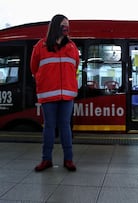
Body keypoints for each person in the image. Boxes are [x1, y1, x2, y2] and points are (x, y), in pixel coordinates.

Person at [30, 14, 79, 172]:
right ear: (56, 26)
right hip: (48, 94)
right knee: (49, 127)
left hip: (67, 94)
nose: (66, 28)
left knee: (65, 126)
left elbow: (75, 67)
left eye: (68, 25)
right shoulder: (40, 46)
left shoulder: (71, 47)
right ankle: (46, 160)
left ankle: (68, 160)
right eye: (64, 25)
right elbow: (34, 68)